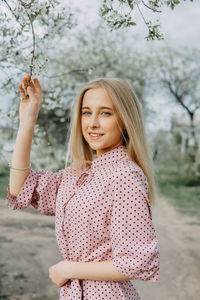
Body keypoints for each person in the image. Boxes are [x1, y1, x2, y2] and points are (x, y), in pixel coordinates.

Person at [7, 74, 160, 300]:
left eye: (105, 113)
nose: (92, 123)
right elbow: (21, 189)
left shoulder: (125, 175)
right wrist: (28, 120)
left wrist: (70, 269)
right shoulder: (77, 174)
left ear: (125, 119)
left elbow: (138, 261)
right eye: (86, 112)